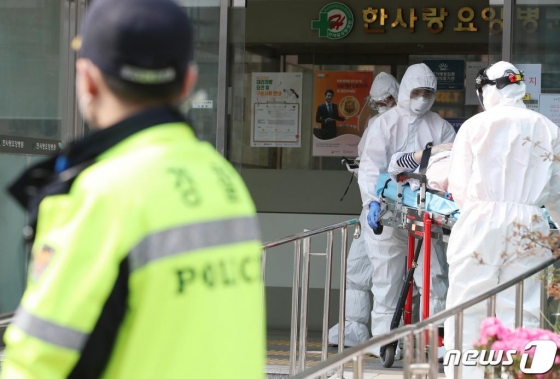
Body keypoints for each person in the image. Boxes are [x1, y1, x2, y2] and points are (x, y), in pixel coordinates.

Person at [1, 0, 265, 378]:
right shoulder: (222, 179)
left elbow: (39, 361)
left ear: (87, 79)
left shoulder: (104, 191)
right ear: (188, 82)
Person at [443, 61, 560, 379]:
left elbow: (459, 184)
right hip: (529, 223)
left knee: (468, 301)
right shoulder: (547, 127)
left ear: (489, 89)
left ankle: (466, 374)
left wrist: (478, 211)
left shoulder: (474, 126)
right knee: (523, 306)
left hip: (481, 217)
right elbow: (557, 191)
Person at [358, 63, 456, 357]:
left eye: (428, 93)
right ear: (405, 91)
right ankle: (384, 341)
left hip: (424, 213)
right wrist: (370, 201)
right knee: (386, 278)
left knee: (434, 276)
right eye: (417, 92)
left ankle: (435, 339)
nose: (422, 98)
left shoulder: (439, 126)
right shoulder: (384, 124)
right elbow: (370, 168)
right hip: (387, 212)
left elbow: (450, 165)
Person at [328, 72, 399, 347]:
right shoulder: (374, 124)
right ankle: (352, 328)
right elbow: (369, 161)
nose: (382, 104)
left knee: (393, 274)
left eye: (387, 99)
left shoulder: (408, 124)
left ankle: (395, 334)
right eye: (378, 101)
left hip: (396, 206)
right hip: (370, 206)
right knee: (357, 267)